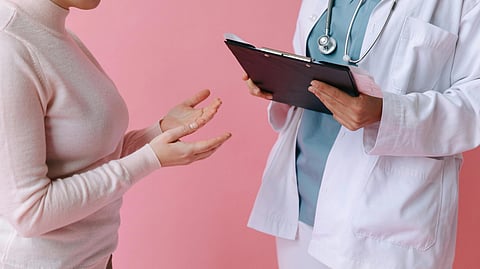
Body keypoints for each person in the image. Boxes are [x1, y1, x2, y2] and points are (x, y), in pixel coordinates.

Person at [243, 0, 480, 268]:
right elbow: (311, 61)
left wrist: (386, 113)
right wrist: (279, 82)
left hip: (387, 218)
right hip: (302, 200)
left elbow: (475, 102)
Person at [0, 0, 231, 268]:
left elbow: (92, 159)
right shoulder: (9, 47)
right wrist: (150, 159)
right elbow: (30, 212)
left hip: (96, 260)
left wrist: (158, 132)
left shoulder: (56, 33)